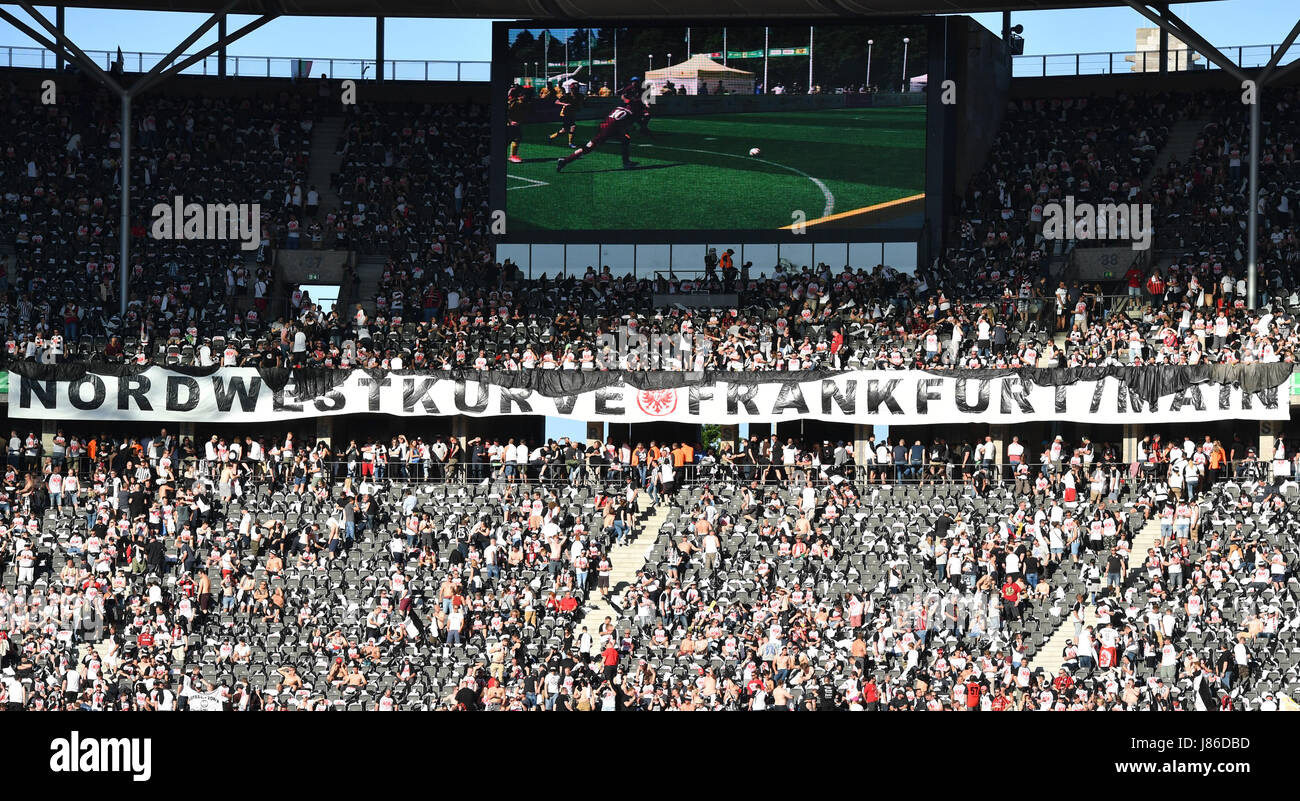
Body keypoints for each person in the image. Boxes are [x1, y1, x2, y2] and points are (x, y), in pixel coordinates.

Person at [556, 101, 639, 172]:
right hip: (609, 130)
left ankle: (626, 162)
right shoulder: (631, 113)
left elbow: (611, 118)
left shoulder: (618, 108)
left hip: (605, 127)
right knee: (587, 148)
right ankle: (564, 161)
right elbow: (628, 125)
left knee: (625, 139)